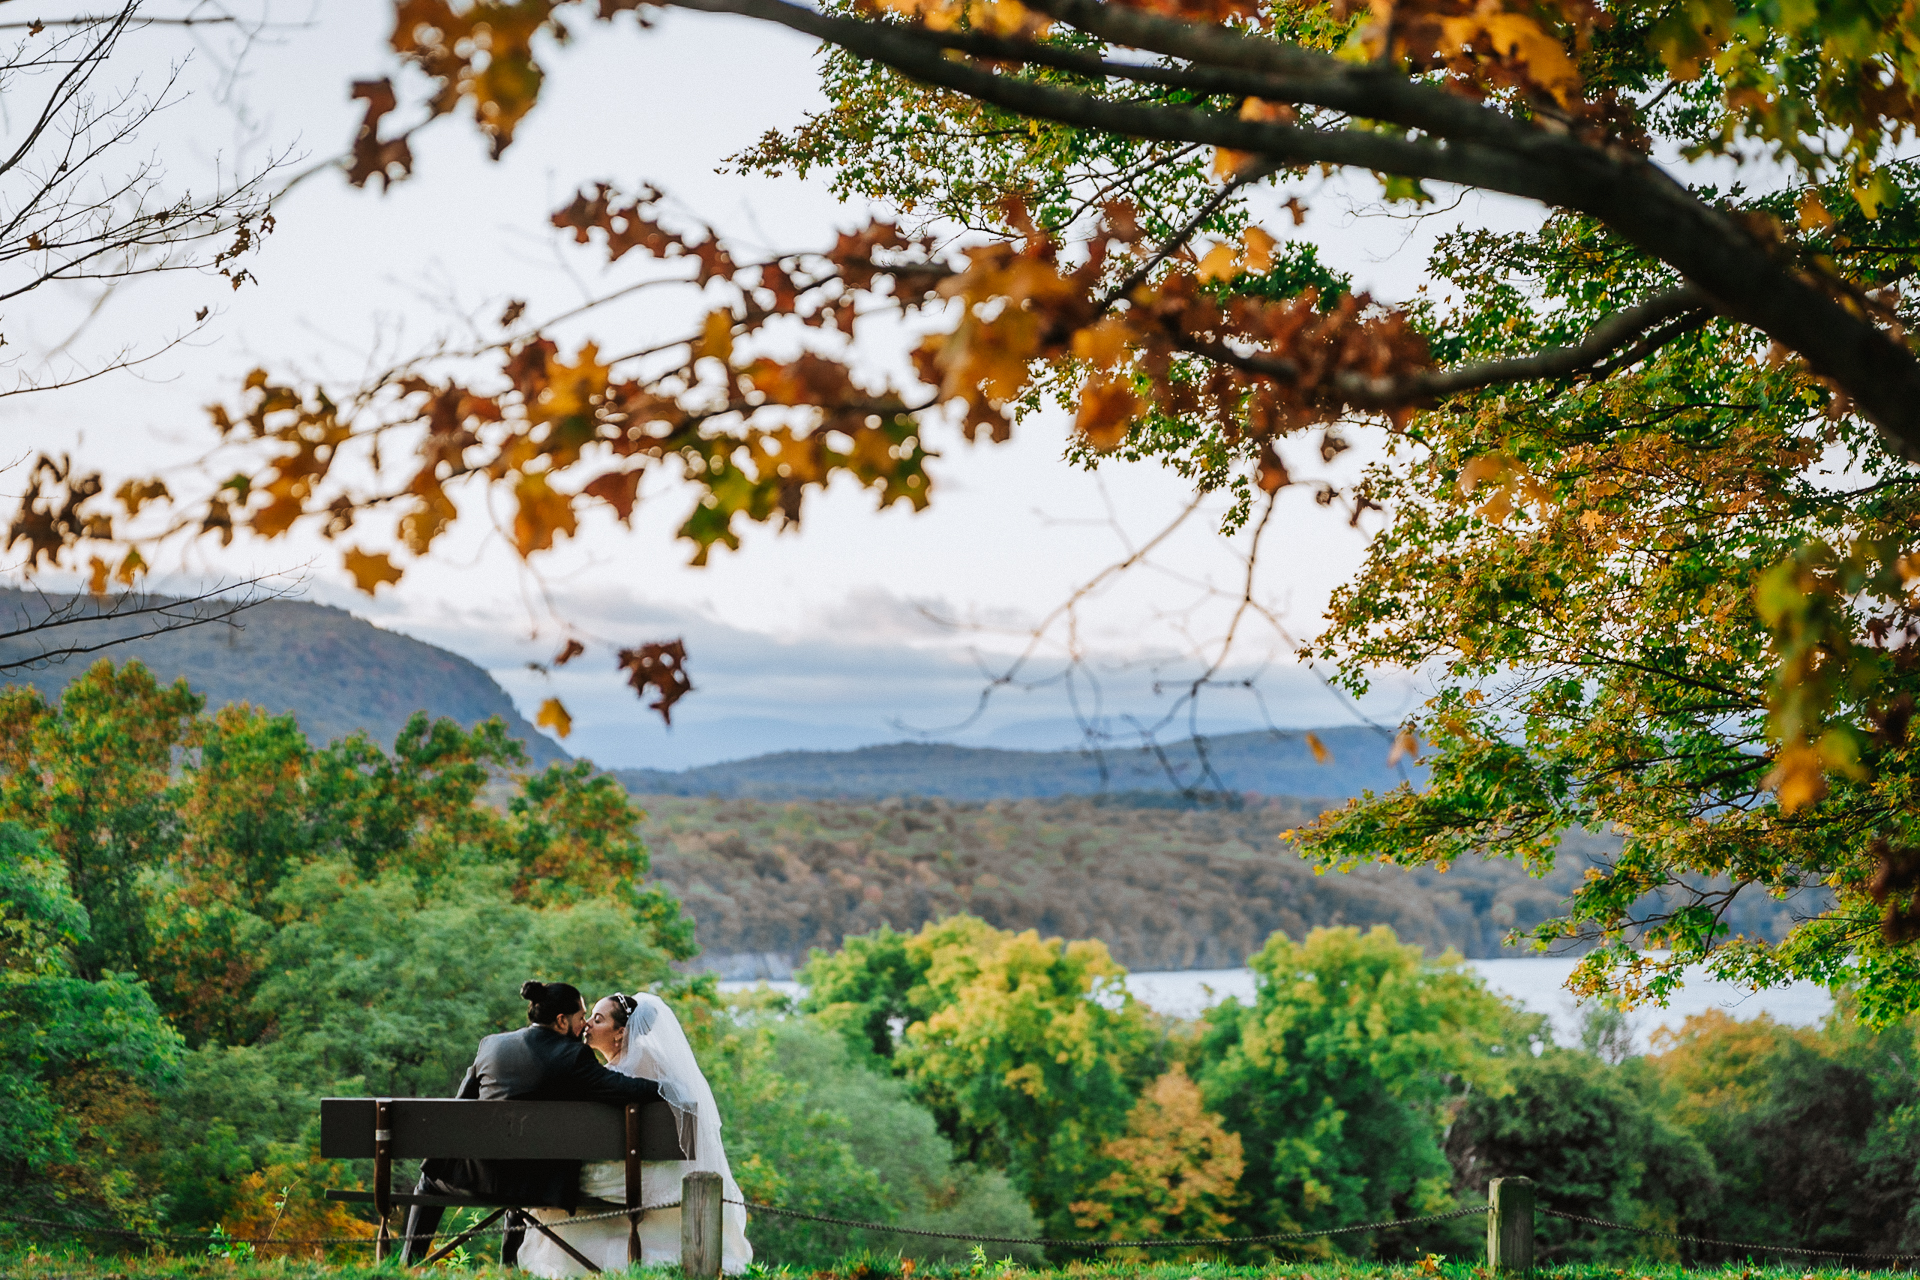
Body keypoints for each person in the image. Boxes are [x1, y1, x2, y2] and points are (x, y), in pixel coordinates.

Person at [401, 980, 665, 1265]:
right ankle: (508, 1265)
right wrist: (670, 1088)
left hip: (479, 1176)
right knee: (524, 1164)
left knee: (430, 1179)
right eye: (581, 1017)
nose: (585, 1025)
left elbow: (460, 1107)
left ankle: (407, 1262)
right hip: (539, 1185)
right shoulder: (574, 1057)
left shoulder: (491, 1045)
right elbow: (629, 1089)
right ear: (562, 1020)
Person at [516, 992, 754, 1276]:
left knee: (551, 1183)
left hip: (630, 1174)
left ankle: (576, 1264)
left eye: (598, 1018)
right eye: (589, 1016)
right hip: (639, 1167)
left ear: (620, 1033)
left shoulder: (624, 1070)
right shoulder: (630, 1068)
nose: (588, 1024)